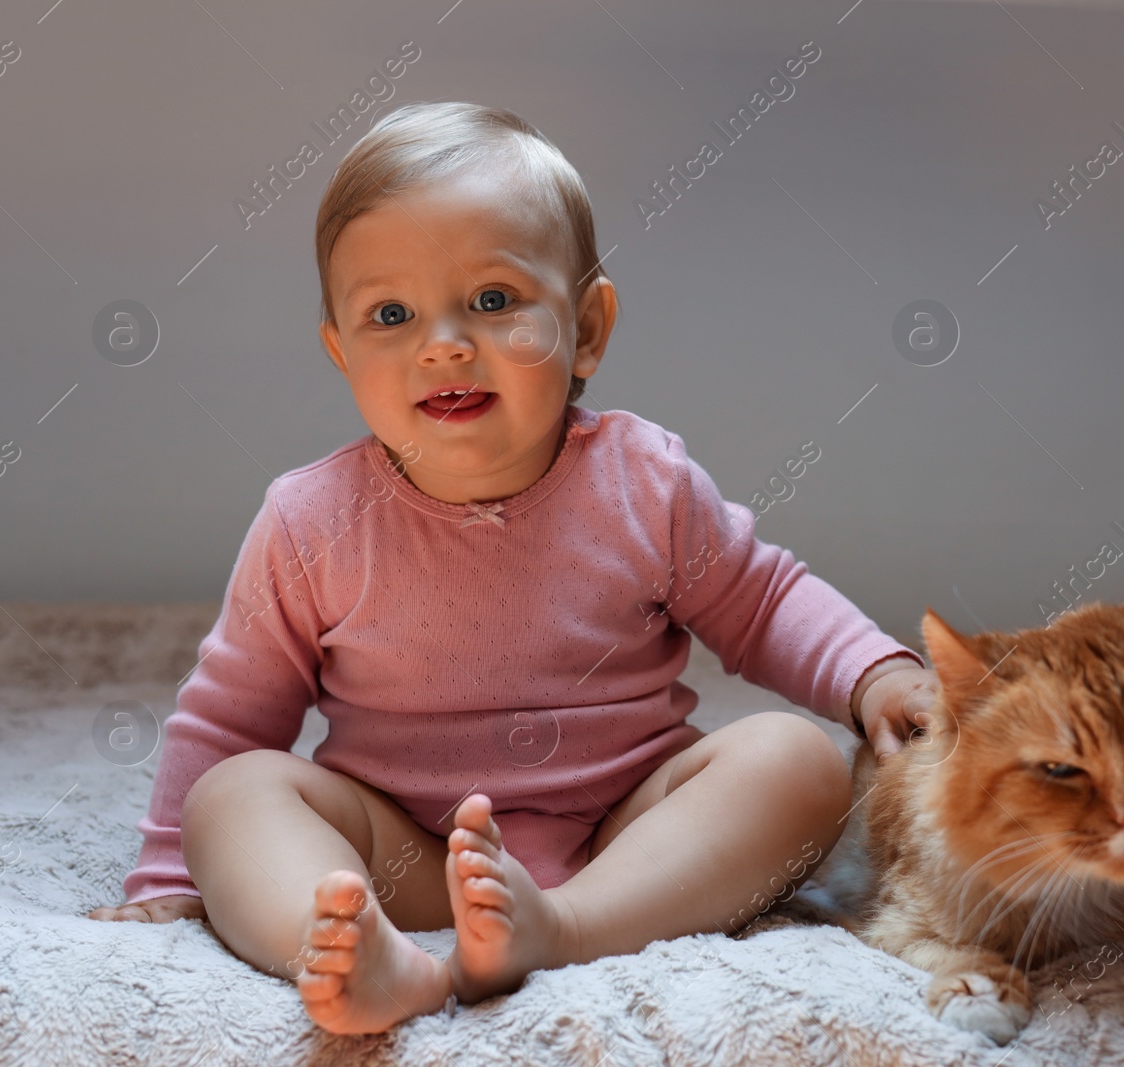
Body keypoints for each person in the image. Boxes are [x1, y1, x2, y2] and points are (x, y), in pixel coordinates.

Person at [87, 101, 938, 1035]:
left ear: (587, 329)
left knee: (797, 763)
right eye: (391, 313)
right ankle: (360, 949)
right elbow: (231, 712)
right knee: (234, 796)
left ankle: (562, 927)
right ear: (340, 350)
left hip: (625, 829)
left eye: (493, 301)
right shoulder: (311, 520)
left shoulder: (642, 482)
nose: (443, 342)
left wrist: (871, 671)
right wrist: (172, 872)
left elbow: (763, 598)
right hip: (404, 848)